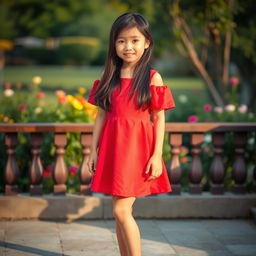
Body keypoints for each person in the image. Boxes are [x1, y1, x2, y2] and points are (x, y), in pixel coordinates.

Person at [86, 12, 176, 256]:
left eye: (135, 40)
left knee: (121, 211)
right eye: (121, 40)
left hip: (137, 150)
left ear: (147, 43)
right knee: (119, 211)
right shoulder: (109, 77)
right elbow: (102, 115)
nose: (128, 46)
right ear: (113, 44)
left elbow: (159, 118)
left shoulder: (151, 77)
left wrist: (157, 155)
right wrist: (92, 151)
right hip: (113, 149)